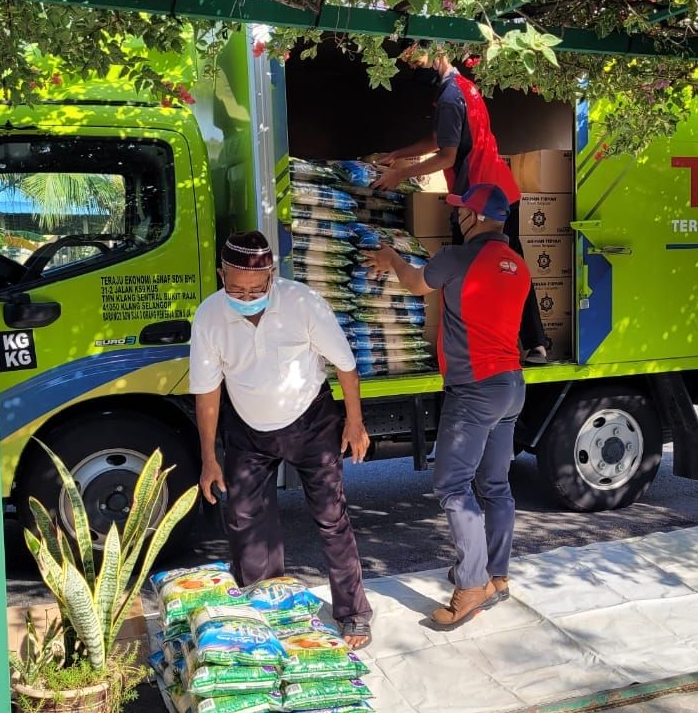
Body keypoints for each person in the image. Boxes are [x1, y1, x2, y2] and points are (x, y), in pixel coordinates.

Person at [190, 231, 374, 648]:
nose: (247, 295)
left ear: (272, 275)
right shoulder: (209, 316)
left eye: (257, 288)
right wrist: (209, 457)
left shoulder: (303, 303)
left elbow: (345, 365)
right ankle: (266, 614)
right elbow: (207, 392)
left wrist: (354, 422)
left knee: (331, 517)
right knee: (246, 522)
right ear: (221, 276)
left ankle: (354, 612)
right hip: (248, 431)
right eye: (236, 287)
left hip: (311, 423)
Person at [360, 184, 530, 629]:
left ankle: (471, 587)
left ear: (474, 218)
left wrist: (391, 259)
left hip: (475, 389)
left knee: (452, 484)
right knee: (495, 483)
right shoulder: (519, 266)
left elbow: (416, 284)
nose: (456, 219)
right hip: (512, 384)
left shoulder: (458, 258)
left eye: (461, 213)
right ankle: (496, 575)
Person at [372, 44, 548, 365]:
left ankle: (465, 353)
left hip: (479, 199)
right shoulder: (463, 87)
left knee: (461, 275)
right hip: (500, 190)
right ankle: (536, 344)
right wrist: (398, 154)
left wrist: (401, 174)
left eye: (416, 60)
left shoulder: (451, 97)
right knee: (512, 268)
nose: (414, 68)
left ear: (436, 51)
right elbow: (442, 138)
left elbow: (446, 155)